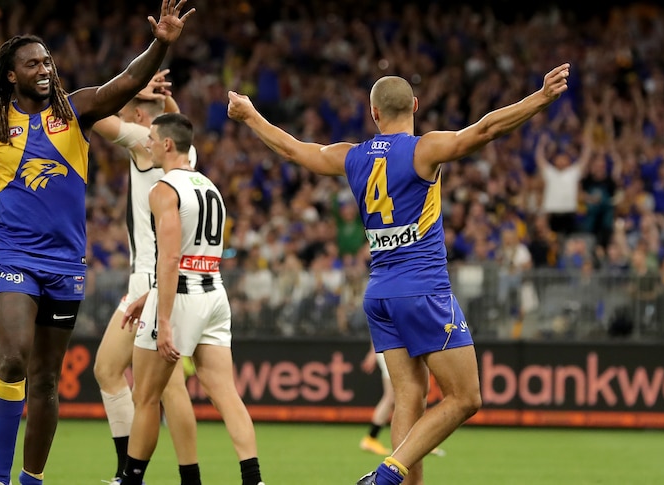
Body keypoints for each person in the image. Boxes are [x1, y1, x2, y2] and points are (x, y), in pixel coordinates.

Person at [0, 3, 195, 484]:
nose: (44, 69)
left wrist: (162, 42)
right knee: (14, 359)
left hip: (66, 263)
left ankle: (30, 479)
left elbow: (127, 82)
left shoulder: (76, 108)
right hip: (14, 256)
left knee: (45, 380)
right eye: (33, 64)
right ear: (9, 77)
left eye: (47, 62)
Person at [228, 63, 571, 485]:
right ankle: (385, 475)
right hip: (423, 288)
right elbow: (483, 131)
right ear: (415, 105)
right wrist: (540, 98)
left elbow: (292, 149)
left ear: (373, 113)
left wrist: (248, 115)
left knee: (409, 398)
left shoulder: (352, 156)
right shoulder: (423, 150)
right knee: (466, 398)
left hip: (380, 293)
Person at [119, 113, 265, 485]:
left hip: (180, 296)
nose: (147, 142)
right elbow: (195, 253)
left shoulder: (164, 189)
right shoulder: (210, 187)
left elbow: (170, 258)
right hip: (214, 294)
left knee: (147, 397)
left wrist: (162, 319)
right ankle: (253, 479)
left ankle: (131, 479)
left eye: (151, 137)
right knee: (226, 394)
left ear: (167, 144)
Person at [91, 70, 201, 484]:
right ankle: (153, 473)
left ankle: (131, 473)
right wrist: (164, 101)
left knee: (134, 378)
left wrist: (127, 89)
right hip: (172, 277)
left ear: (140, 116)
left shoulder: (143, 142)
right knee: (149, 381)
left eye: (129, 112)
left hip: (151, 279)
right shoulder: (188, 158)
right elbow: (178, 124)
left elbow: (91, 115)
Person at [359, 344, 445, 458]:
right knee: (392, 396)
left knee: (405, 395)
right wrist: (372, 351)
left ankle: (418, 440)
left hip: (394, 348)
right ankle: (371, 438)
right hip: (391, 348)